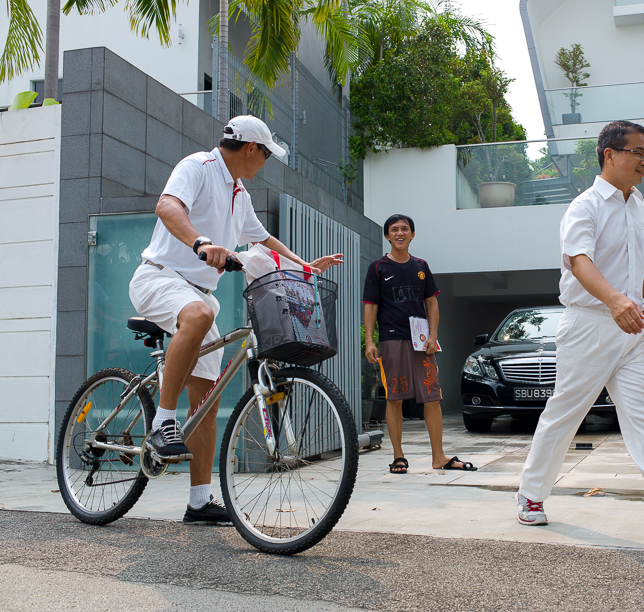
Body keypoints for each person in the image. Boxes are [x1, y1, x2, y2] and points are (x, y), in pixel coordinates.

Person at [129, 115, 343, 525]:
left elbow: (263, 239)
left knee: (206, 404)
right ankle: (162, 422)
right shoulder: (198, 167)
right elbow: (167, 206)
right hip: (159, 277)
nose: (264, 164)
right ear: (250, 149)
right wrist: (202, 242)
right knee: (200, 313)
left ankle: (199, 501)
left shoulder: (239, 193)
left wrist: (304, 266)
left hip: (197, 293)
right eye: (265, 156)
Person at [515, 120, 644, 540]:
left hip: (633, 328)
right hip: (589, 326)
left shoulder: (643, 210)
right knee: (565, 414)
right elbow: (579, 261)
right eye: (637, 153)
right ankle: (530, 496)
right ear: (609, 154)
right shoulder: (584, 206)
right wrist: (613, 300)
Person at [363, 215, 477, 475]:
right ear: (387, 237)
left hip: (422, 342)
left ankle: (438, 456)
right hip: (391, 340)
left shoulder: (421, 266)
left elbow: (432, 302)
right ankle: (398, 457)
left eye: (405, 229)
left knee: (432, 396)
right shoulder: (378, 267)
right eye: (394, 230)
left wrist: (434, 336)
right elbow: (370, 306)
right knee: (395, 398)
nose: (400, 233)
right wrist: (370, 341)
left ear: (413, 235)